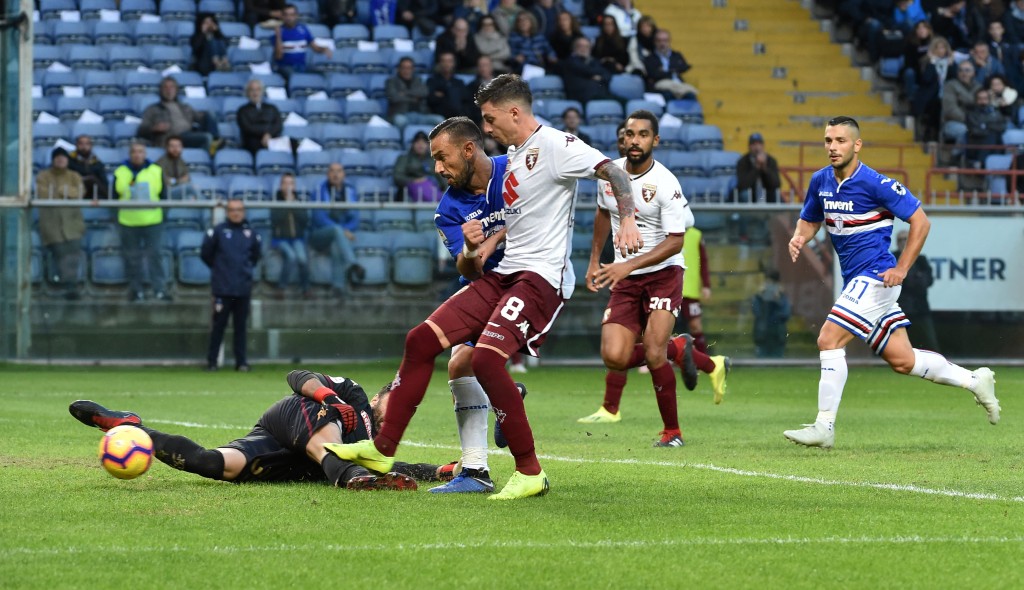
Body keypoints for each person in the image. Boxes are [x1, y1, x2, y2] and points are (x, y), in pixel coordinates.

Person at [327, 74, 643, 500]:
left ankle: (529, 471)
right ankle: (383, 451)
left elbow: (613, 172)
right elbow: (519, 217)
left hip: (540, 278)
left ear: (513, 112)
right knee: (420, 340)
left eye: (490, 119)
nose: (487, 128)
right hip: (502, 274)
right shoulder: (514, 158)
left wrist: (628, 220)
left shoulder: (556, 145)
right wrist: (482, 246)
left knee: (485, 361)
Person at [783, 116, 1000, 450]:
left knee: (828, 339)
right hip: (857, 281)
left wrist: (902, 267)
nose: (833, 147)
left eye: (841, 141)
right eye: (828, 140)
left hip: (876, 277)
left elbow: (921, 221)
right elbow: (810, 220)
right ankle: (974, 380)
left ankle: (824, 426)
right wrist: (800, 237)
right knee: (904, 360)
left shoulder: (876, 183)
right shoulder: (820, 180)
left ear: (857, 145)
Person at [69, 370, 453, 490]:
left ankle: (133, 427)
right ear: (380, 396)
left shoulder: (373, 442)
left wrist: (436, 470)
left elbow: (390, 464)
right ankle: (352, 480)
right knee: (330, 439)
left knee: (211, 463)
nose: (398, 413)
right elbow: (298, 376)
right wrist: (332, 400)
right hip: (294, 417)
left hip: (291, 455)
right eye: (396, 403)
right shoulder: (352, 394)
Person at [574, 110, 695, 446]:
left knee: (654, 352)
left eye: (643, 134)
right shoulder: (609, 175)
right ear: (622, 138)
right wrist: (595, 260)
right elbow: (603, 212)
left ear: (655, 140)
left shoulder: (666, 183)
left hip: (663, 274)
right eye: (630, 134)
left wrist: (628, 265)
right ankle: (679, 347)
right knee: (614, 357)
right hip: (625, 276)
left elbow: (676, 241)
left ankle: (672, 432)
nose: (635, 140)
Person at [428, 116, 515, 493]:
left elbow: (540, 212)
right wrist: (468, 248)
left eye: (442, 157)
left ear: (468, 150)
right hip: (482, 288)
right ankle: (477, 467)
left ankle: (479, 468)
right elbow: (467, 268)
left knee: (467, 363)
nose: (438, 168)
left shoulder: (513, 170)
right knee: (459, 363)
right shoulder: (448, 209)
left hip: (525, 282)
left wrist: (495, 237)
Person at [201, 198, 262, 372]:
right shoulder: (218, 231)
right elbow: (206, 254)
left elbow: (255, 256)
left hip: (243, 288)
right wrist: (221, 270)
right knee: (218, 326)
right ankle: (212, 362)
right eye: (233, 210)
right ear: (228, 212)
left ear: (244, 212)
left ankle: (241, 362)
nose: (236, 213)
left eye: (239, 210)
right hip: (222, 288)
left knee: (240, 327)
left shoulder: (251, 233)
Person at [114, 142, 171, 302]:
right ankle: (136, 290)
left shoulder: (156, 170)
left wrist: (162, 216)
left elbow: (164, 196)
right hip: (128, 222)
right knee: (132, 258)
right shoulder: (120, 171)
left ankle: (159, 290)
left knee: (155, 256)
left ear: (145, 154)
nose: (137, 155)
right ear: (130, 154)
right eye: (134, 152)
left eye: (140, 152)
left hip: (153, 221)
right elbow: (114, 198)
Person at [36, 147, 85, 300]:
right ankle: (69, 287)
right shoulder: (43, 176)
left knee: (73, 258)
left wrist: (60, 190)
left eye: (63, 157)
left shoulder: (74, 176)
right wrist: (66, 192)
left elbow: (80, 193)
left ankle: (71, 286)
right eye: (57, 157)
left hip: (73, 226)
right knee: (62, 256)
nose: (60, 160)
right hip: (52, 227)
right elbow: (44, 194)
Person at [309, 163, 359, 295]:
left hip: (339, 237)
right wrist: (343, 231)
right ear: (327, 174)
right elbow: (318, 218)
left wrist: (345, 230)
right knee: (337, 231)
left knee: (337, 245)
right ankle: (352, 263)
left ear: (344, 174)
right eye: (332, 171)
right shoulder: (319, 191)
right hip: (319, 235)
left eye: (339, 171)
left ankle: (338, 288)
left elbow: (355, 218)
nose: (335, 174)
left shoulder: (350, 192)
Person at [139, 77, 217, 152]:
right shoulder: (153, 109)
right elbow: (141, 130)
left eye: (172, 87)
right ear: (161, 90)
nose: (169, 90)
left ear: (176, 90)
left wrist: (206, 115)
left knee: (210, 114)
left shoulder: (185, 107)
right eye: (165, 88)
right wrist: (154, 128)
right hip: (171, 138)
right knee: (206, 137)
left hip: (189, 134)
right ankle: (212, 150)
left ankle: (216, 141)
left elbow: (200, 117)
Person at [892, 229, 939, 352]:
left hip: (920, 307)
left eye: (906, 239)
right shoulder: (892, 258)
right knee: (896, 344)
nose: (903, 242)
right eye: (900, 240)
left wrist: (908, 278)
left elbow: (928, 281)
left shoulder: (921, 259)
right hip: (900, 307)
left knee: (930, 341)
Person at [270, 173, 311, 298]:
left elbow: (304, 220)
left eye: (291, 183)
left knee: (302, 258)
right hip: (280, 239)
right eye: (285, 183)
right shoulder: (275, 201)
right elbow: (275, 220)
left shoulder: (299, 201)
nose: (288, 186)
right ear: (281, 185)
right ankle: (281, 288)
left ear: (294, 186)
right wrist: (287, 205)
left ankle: (305, 289)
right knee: (291, 256)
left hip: (297, 238)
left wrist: (294, 204)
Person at [273, 4, 332, 78]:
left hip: (302, 66)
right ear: (282, 16)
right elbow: (278, 56)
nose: (289, 18)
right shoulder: (279, 31)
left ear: (296, 16)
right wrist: (278, 36)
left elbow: (315, 48)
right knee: (294, 77)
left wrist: (324, 49)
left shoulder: (303, 29)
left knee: (321, 75)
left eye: (292, 15)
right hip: (285, 67)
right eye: (286, 15)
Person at [385, 57, 443, 130]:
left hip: (420, 114)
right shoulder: (391, 81)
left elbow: (424, 92)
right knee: (400, 121)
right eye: (404, 68)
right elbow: (394, 97)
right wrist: (414, 98)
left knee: (439, 119)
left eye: (409, 68)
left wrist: (405, 93)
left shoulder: (418, 80)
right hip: (402, 114)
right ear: (399, 69)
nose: (406, 71)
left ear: (413, 69)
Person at [642, 29, 697, 99]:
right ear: (655, 42)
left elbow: (684, 67)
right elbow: (653, 74)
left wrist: (665, 71)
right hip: (662, 86)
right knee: (669, 94)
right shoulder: (650, 58)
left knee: (691, 95)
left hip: (678, 84)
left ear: (669, 41)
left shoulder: (676, 55)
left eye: (665, 40)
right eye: (659, 41)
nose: (662, 44)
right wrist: (673, 70)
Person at [560, 36, 614, 104]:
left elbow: (607, 74)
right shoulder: (570, 61)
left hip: (600, 94)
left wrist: (600, 78)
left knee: (622, 102)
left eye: (587, 46)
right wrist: (597, 73)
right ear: (574, 48)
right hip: (582, 96)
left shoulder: (593, 60)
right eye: (580, 46)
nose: (584, 49)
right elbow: (585, 70)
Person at [237, 79, 284, 156]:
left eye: (258, 89)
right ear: (247, 93)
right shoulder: (242, 110)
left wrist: (269, 134)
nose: (255, 93)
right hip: (253, 143)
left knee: (293, 143)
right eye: (252, 90)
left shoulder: (272, 108)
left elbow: (278, 125)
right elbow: (248, 127)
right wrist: (266, 133)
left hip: (272, 139)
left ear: (262, 91)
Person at [941, 60, 979, 154]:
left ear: (973, 73)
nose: (964, 73)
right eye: (960, 70)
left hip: (976, 122)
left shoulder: (979, 87)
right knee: (964, 130)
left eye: (967, 70)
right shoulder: (950, 86)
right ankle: (956, 157)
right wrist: (970, 121)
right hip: (953, 122)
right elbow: (950, 110)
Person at [395, 130, 445, 201]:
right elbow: (397, 177)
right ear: (413, 144)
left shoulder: (433, 160)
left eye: (423, 142)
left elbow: (442, 179)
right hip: (410, 192)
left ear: (428, 145)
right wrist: (415, 180)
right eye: (417, 142)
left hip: (433, 190)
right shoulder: (404, 158)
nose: (420, 145)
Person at [752, 269, 791, 358]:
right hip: (762, 335)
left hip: (777, 335)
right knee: (761, 360)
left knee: (777, 361)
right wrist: (760, 297)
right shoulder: (759, 298)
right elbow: (756, 312)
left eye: (772, 284)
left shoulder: (782, 297)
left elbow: (785, 314)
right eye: (767, 283)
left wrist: (778, 301)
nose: (769, 288)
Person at [427, 52, 475, 121]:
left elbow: (465, 101)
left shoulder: (459, 83)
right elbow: (431, 100)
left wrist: (444, 94)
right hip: (440, 117)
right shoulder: (432, 81)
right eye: (444, 61)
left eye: (449, 61)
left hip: (459, 118)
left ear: (454, 63)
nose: (447, 64)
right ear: (439, 63)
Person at [736, 132, 782, 203]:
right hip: (751, 196)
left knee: (778, 197)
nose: (757, 147)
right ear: (749, 146)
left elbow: (776, 184)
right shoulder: (743, 161)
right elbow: (742, 185)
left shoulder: (771, 161)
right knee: (744, 194)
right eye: (753, 144)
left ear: (763, 146)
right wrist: (756, 168)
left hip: (765, 195)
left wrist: (764, 168)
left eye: (759, 144)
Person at [155, 136, 197, 200]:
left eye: (178, 146)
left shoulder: (181, 161)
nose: (175, 149)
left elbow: (187, 178)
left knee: (189, 197)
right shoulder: (160, 163)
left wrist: (175, 181)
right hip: (166, 193)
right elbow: (166, 182)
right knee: (190, 188)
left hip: (179, 191)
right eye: (172, 146)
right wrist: (179, 181)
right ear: (167, 147)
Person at [68, 135, 109, 200]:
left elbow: (104, 184)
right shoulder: (70, 161)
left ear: (91, 146)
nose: (84, 146)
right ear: (76, 145)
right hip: (75, 195)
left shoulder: (97, 163)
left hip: (94, 197)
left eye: (87, 144)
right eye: (81, 143)